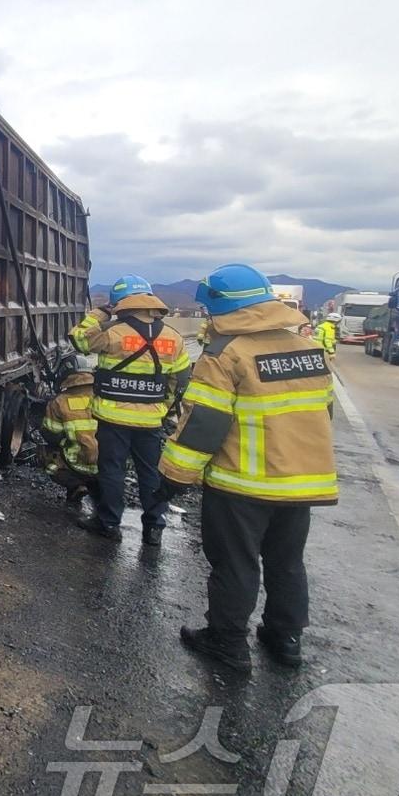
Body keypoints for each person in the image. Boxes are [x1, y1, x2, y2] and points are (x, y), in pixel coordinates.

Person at [159, 263, 336, 671]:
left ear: (223, 306)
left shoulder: (227, 354)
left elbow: (202, 427)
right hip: (300, 483)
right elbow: (322, 414)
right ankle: (285, 639)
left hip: (242, 485)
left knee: (235, 563)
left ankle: (227, 642)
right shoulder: (311, 351)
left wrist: (173, 478)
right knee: (287, 562)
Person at [70, 275, 192, 545]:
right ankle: (154, 528)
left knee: (112, 470)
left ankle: (108, 523)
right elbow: (181, 379)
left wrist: (99, 314)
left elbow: (79, 339)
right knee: (150, 473)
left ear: (120, 304)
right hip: (151, 420)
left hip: (112, 417)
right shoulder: (173, 337)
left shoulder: (112, 332)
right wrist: (162, 405)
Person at [40, 356, 99, 505]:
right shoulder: (102, 396)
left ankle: (75, 485)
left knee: (45, 453)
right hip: (105, 464)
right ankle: (99, 489)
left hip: (76, 463)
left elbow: (51, 435)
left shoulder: (59, 402)